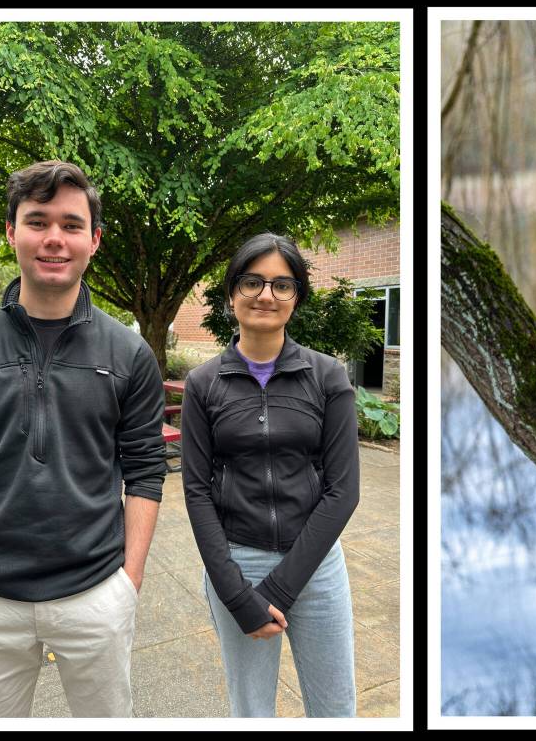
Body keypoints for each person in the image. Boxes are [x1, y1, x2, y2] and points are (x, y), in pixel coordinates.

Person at [0, 160, 166, 717]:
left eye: (71, 224)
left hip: (95, 593)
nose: (54, 238)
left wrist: (127, 584)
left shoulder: (128, 355)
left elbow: (146, 472)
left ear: (94, 240)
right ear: (11, 232)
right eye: (37, 221)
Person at [181, 233, 360, 717]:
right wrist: (237, 594)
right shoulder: (202, 385)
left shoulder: (327, 377)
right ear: (231, 295)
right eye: (253, 281)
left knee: (335, 710)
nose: (266, 295)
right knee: (252, 712)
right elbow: (196, 491)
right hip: (237, 566)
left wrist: (282, 587)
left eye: (282, 285)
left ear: (296, 297)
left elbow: (343, 491)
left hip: (316, 568)